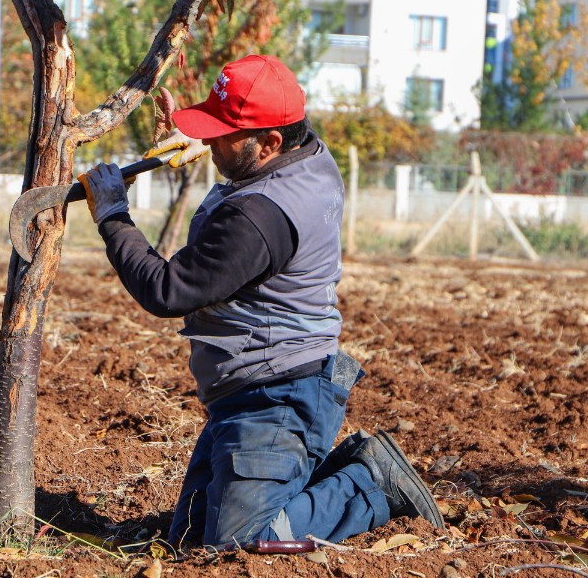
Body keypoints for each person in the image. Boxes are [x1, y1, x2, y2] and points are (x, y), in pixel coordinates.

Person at [77, 55, 444, 548]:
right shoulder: (307, 154)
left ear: (270, 142)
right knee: (189, 539)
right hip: (258, 390)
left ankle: (369, 483)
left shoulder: (258, 216)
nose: (208, 140)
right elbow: (244, 173)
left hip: (278, 397)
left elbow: (166, 291)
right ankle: (318, 476)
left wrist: (113, 216)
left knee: (237, 544)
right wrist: (199, 144)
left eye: (221, 134)